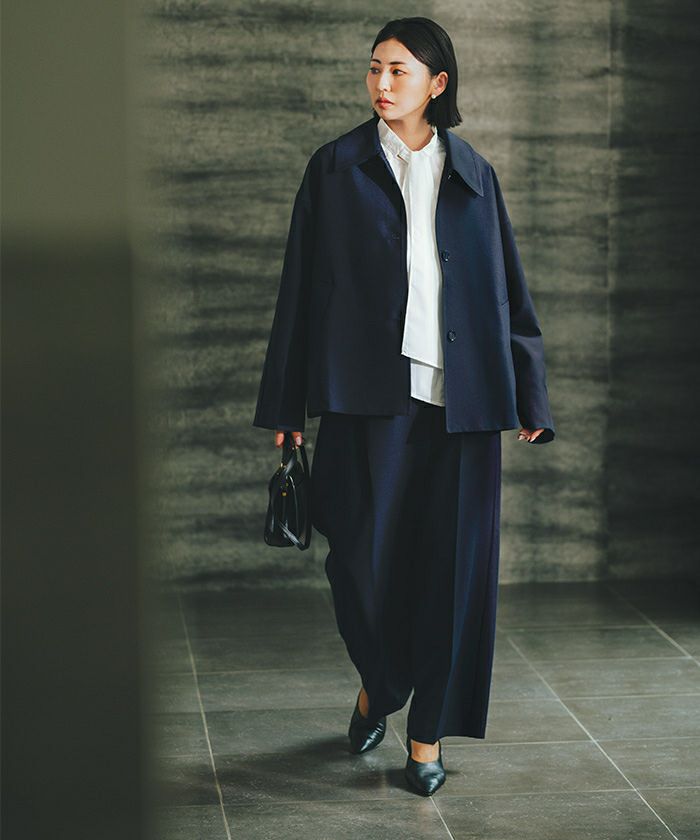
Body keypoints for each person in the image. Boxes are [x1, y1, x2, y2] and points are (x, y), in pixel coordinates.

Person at [253, 17, 555, 796]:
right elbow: (298, 294)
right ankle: (380, 686)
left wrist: (528, 393)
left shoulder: (474, 174)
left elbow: (509, 292)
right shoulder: (335, 169)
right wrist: (286, 404)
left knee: (454, 579)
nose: (382, 84)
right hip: (366, 399)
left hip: (464, 405)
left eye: (399, 70)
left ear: (437, 83)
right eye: (375, 69)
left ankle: (426, 737)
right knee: (359, 564)